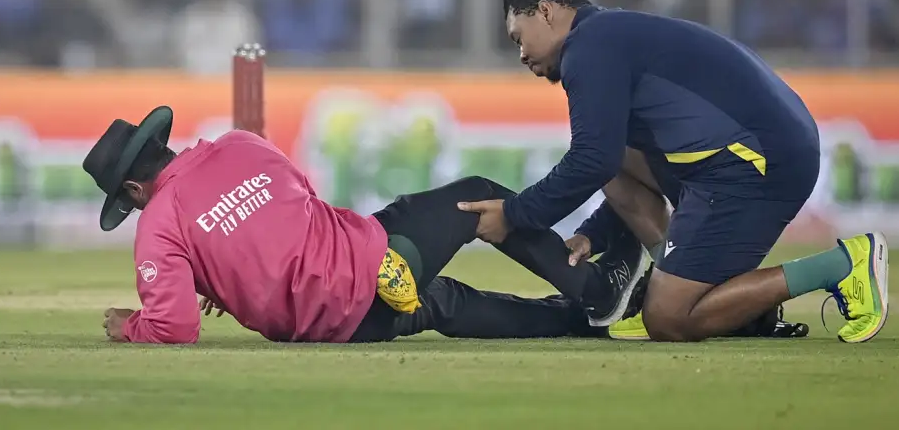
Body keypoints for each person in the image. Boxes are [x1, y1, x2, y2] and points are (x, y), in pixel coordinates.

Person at [456, 0, 889, 344]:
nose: (521, 54)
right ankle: (712, 295)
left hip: (757, 161)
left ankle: (843, 265)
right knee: (614, 154)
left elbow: (591, 159)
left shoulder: (588, 49)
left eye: (518, 37)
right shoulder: (607, 35)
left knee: (668, 318)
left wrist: (513, 215)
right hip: (760, 151)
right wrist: (593, 235)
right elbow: (611, 162)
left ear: (546, 11)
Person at [82, 106, 642, 345]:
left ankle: (581, 319)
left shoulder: (159, 225)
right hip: (364, 263)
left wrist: (132, 326)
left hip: (337, 326)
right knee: (478, 197)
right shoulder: (239, 144)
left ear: (132, 190)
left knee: (443, 302)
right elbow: (299, 201)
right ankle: (597, 290)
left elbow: (174, 326)